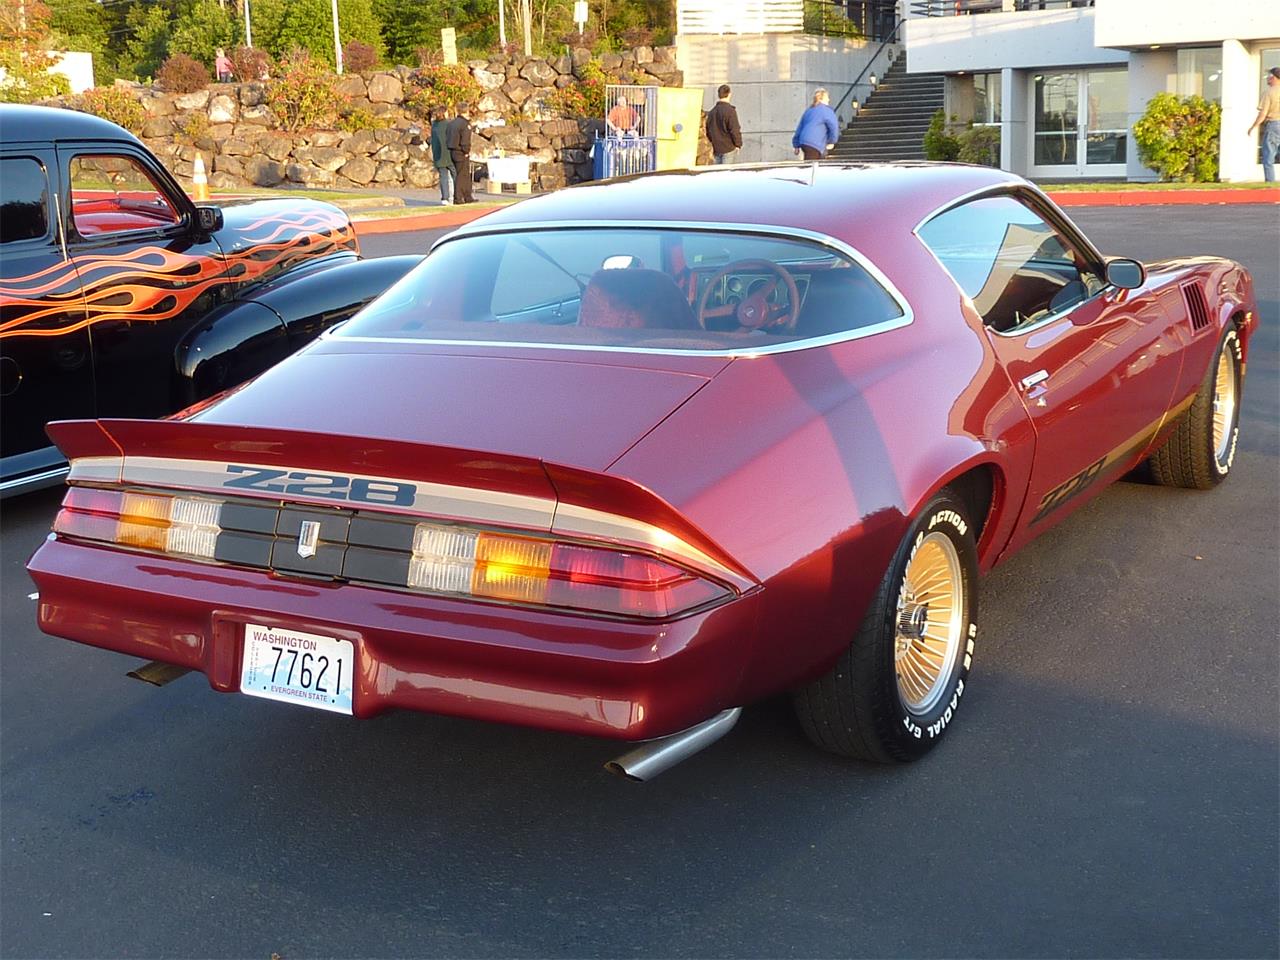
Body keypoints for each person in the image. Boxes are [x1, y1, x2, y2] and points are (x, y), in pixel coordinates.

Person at [1247, 66, 1280, 183]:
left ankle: (1270, 182)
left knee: (1269, 156)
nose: (1268, 78)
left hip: (1274, 124)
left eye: (1269, 76)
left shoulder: (1269, 93)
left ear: (1274, 78)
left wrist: (1253, 127)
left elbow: (1263, 113)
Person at [792, 88, 839, 161]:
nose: (829, 100)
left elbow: (800, 127)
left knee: (810, 163)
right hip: (815, 143)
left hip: (804, 141)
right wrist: (832, 141)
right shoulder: (827, 111)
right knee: (812, 167)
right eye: (827, 98)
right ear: (822, 99)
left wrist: (796, 145)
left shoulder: (809, 111)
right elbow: (833, 127)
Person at [705, 84, 742, 165]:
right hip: (729, 148)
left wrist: (713, 141)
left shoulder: (712, 112)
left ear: (718, 95)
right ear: (729, 94)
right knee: (727, 174)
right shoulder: (730, 111)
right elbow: (734, 130)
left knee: (718, 174)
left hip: (716, 148)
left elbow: (708, 131)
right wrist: (738, 144)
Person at [446, 106, 474, 204]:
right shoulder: (464, 125)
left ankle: (468, 196)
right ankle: (458, 198)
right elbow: (465, 140)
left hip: (452, 150)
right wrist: (466, 151)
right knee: (461, 175)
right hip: (461, 152)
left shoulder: (451, 123)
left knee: (464, 174)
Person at [430, 109, 455, 206]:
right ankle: (456, 196)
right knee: (455, 174)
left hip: (438, 154)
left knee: (443, 177)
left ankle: (445, 198)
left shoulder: (434, 125)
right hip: (448, 153)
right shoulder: (448, 124)